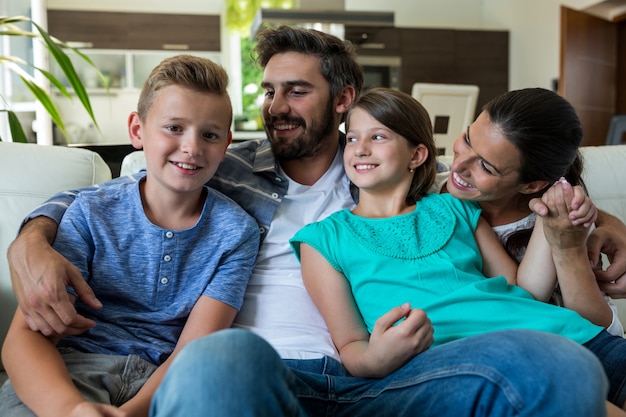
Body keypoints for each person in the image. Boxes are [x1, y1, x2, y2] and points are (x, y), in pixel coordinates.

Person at [5, 26, 613, 416]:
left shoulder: (387, 171)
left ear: (343, 99)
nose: (274, 107)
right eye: (268, 92)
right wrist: (31, 239)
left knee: (557, 366)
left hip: (387, 378)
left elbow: (498, 184)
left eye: (295, 91)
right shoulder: (223, 162)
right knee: (221, 360)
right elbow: (125, 192)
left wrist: (600, 216)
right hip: (256, 372)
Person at [289, 87, 626, 411]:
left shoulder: (455, 207)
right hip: (480, 361)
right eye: (351, 138)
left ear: (418, 155)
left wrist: (550, 220)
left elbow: (523, 292)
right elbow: (350, 345)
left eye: (377, 137)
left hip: (567, 334)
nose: (359, 148)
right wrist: (375, 359)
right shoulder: (323, 239)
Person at [0, 55, 260, 417]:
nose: (192, 146)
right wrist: (71, 409)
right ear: (137, 131)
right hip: (71, 374)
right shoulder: (91, 213)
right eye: (174, 127)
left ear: (226, 144)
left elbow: (195, 350)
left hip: (171, 383)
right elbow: (25, 339)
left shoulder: (236, 233)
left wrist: (132, 414)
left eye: (210, 134)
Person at [439, 87, 624, 335]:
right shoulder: (428, 192)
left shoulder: (562, 220)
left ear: (532, 185)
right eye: (468, 139)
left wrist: (568, 247)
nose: (458, 164)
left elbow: (608, 338)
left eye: (486, 166)